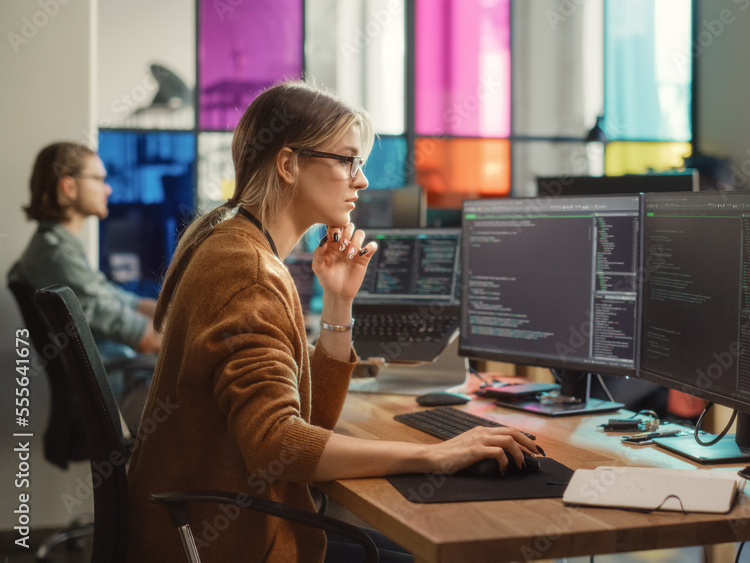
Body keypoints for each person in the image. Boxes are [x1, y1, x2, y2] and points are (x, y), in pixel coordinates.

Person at [125, 81, 540, 563]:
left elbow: (307, 421)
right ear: (288, 164)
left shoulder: (235, 244)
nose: (361, 180)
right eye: (347, 160)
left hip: (212, 529)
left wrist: (338, 302)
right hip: (228, 541)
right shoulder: (249, 272)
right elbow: (275, 443)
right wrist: (436, 455)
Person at [9, 142, 162, 356]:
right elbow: (143, 339)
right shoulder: (55, 256)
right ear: (69, 187)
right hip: (119, 377)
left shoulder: (60, 247)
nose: (107, 188)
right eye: (98, 179)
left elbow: (121, 300)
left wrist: (173, 314)